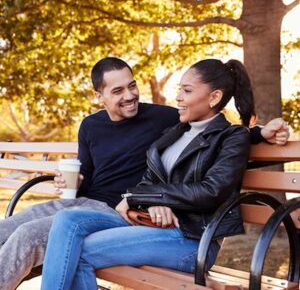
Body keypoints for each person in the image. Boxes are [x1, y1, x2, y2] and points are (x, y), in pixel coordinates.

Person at [0, 58, 289, 290]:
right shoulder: (177, 128)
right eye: (117, 91)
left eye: (186, 91)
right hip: (150, 221)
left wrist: (138, 197)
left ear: (214, 96)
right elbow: (152, 178)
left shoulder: (214, 132)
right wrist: (143, 201)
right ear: (99, 96)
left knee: (68, 247)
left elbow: (211, 187)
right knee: (55, 223)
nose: (178, 98)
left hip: (190, 236)